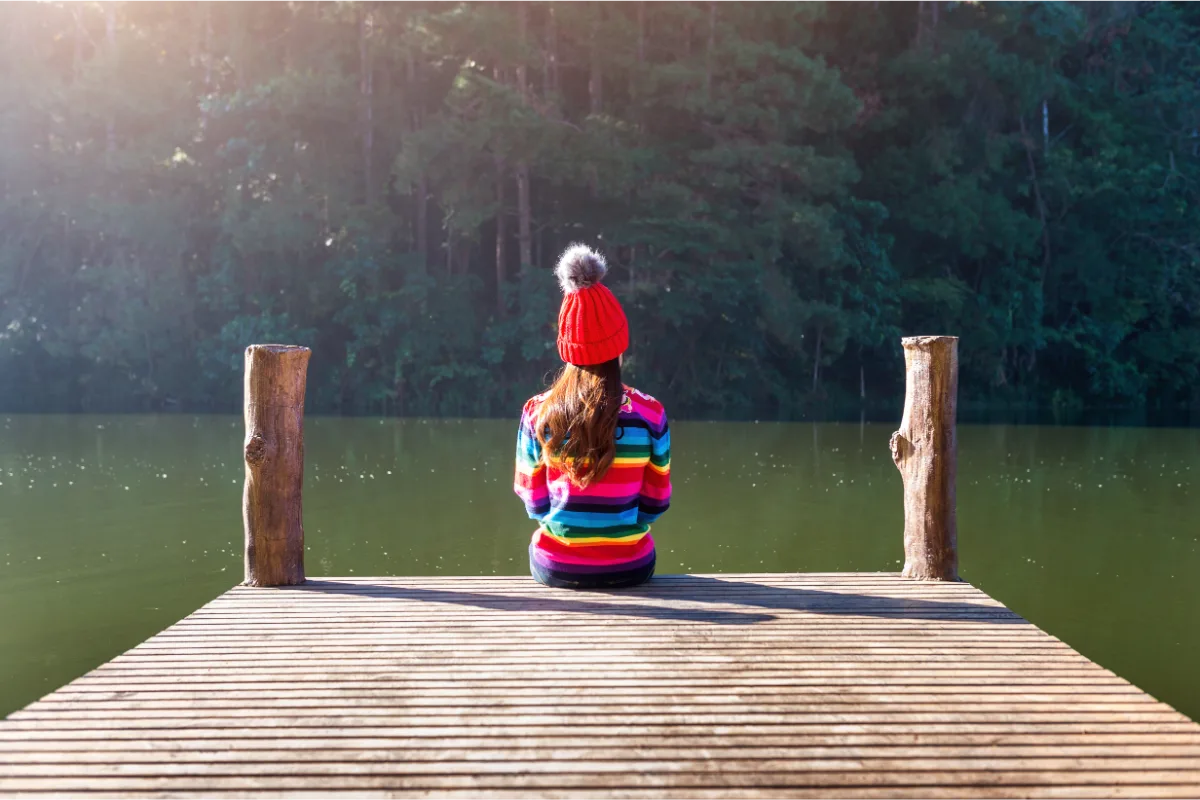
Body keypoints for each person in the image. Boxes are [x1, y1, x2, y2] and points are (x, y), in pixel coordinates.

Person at [513, 244, 671, 589]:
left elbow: (534, 503)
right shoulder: (650, 413)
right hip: (631, 567)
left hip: (557, 568)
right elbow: (656, 503)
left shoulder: (538, 412)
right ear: (620, 345)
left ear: (567, 346)